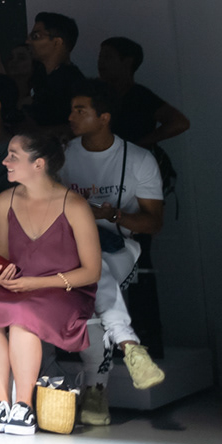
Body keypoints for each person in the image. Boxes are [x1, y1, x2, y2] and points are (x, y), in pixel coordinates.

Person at [0, 129, 100, 435]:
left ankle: (24, 406)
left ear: (39, 164)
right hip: (20, 286)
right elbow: (4, 255)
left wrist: (36, 284)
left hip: (65, 290)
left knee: (23, 317)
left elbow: (91, 272)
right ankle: (0, 404)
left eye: (13, 156)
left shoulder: (74, 205)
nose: (4, 162)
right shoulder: (5, 200)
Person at [62, 82, 166, 420]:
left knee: (96, 273)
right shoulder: (63, 156)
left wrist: (115, 216)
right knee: (91, 275)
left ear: (104, 117)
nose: (71, 116)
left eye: (81, 110)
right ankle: (128, 347)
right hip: (69, 247)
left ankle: (97, 388)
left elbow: (153, 222)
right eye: (72, 109)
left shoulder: (137, 159)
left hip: (118, 247)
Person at [0, 13, 84, 133]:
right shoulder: (43, 81)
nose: (28, 41)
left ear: (57, 42)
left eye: (36, 36)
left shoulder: (70, 83)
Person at [96, 37, 189, 149]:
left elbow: (179, 122)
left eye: (108, 57)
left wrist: (138, 145)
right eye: (100, 57)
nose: (101, 62)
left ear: (127, 62)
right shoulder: (96, 94)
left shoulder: (140, 97)